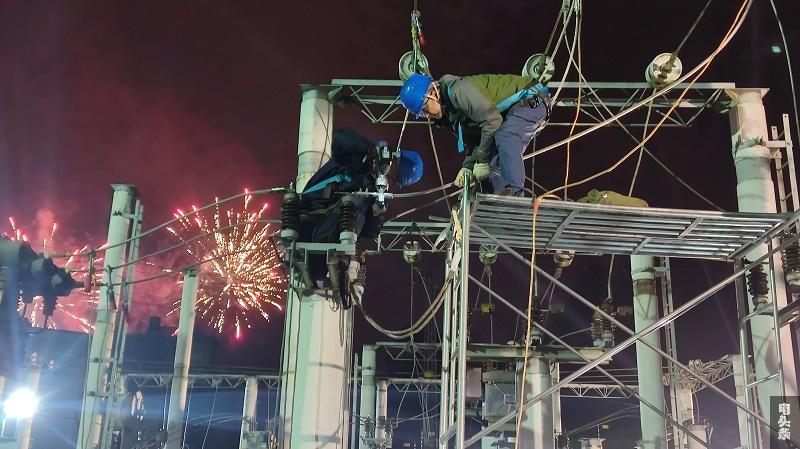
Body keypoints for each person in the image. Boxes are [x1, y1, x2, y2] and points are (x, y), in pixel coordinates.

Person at [298, 128, 423, 305]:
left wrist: (376, 214)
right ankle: (341, 261)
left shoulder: (376, 191)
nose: (390, 178)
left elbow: (368, 234)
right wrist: (369, 149)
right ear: (393, 158)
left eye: (395, 179)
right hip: (315, 209)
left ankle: (343, 264)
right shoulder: (358, 159)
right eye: (393, 172)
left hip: (331, 232)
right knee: (354, 203)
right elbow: (340, 140)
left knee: (316, 271)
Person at [399, 73, 550, 196]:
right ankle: (494, 203)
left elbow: (493, 121)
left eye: (424, 108)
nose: (426, 115)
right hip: (507, 115)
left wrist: (482, 161)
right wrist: (468, 166)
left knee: (505, 137)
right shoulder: (451, 117)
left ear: (433, 92)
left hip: (531, 99)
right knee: (488, 162)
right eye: (422, 113)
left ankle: (515, 195)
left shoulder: (458, 91)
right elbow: (477, 142)